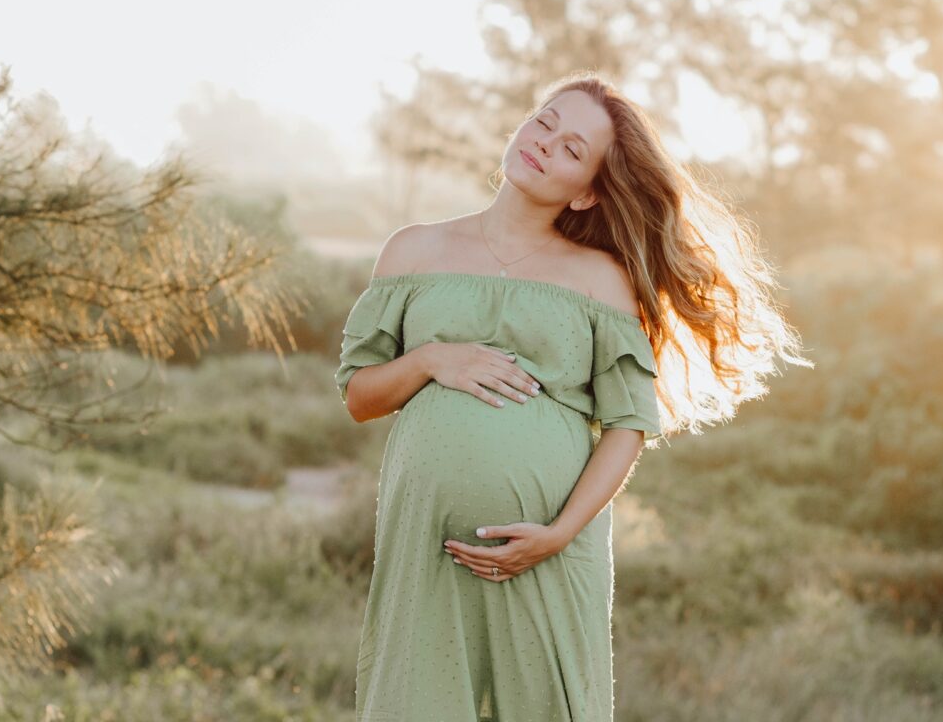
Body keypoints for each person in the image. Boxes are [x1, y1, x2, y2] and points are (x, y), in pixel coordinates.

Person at [336, 72, 813, 720]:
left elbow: (627, 426)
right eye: (545, 122)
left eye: (571, 149)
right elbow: (361, 396)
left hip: (545, 551)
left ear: (587, 192)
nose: (544, 143)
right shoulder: (414, 248)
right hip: (424, 545)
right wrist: (430, 359)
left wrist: (558, 534)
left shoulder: (600, 280)